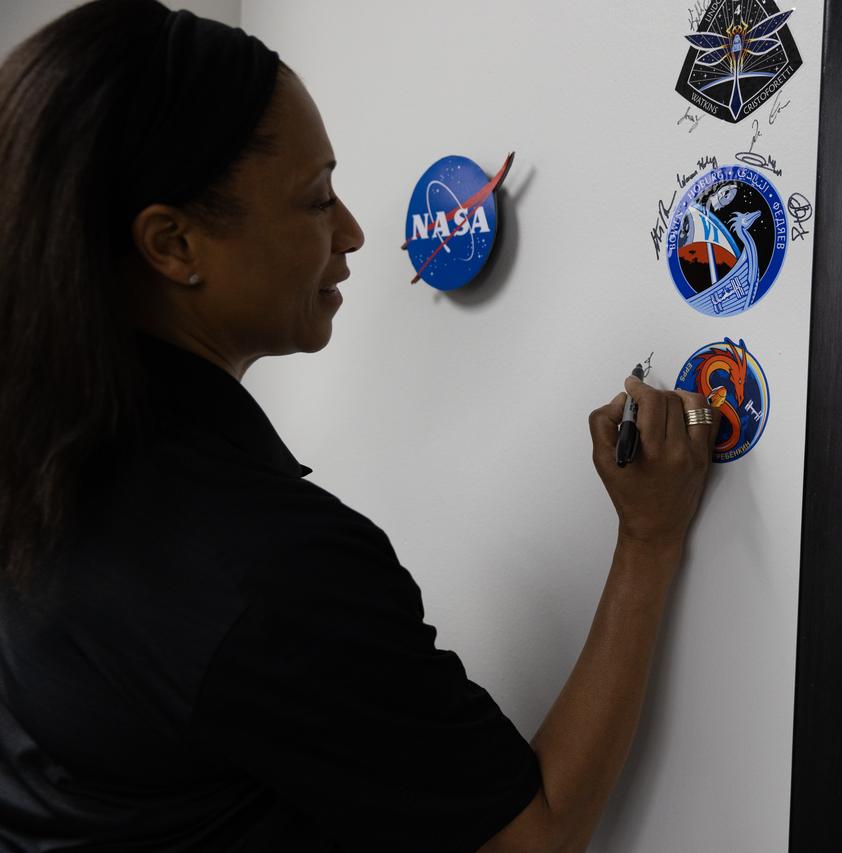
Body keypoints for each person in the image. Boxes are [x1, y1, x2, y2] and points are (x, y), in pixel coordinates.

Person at [0, 1, 721, 850]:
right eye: (314, 201)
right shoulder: (259, 569)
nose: (353, 232)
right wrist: (649, 538)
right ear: (174, 245)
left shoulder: (40, 454)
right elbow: (531, 840)